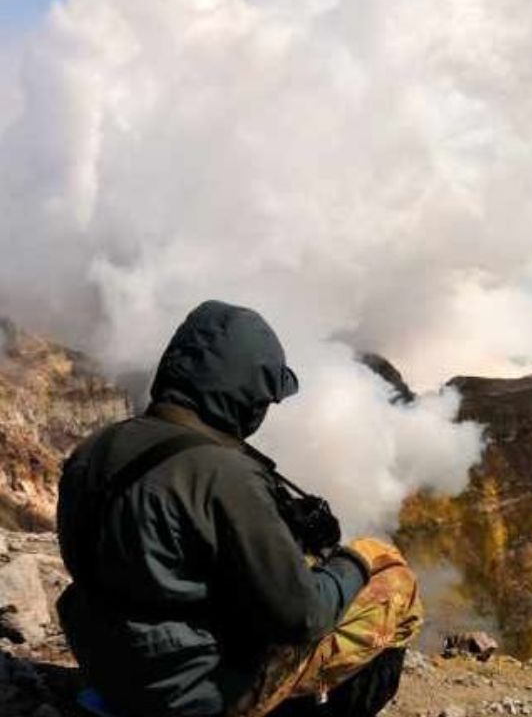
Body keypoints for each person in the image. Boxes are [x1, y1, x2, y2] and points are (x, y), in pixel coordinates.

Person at [56, 300, 422, 717]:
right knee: (392, 576)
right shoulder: (225, 475)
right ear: (248, 395)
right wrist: (353, 562)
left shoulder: (96, 449)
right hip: (191, 692)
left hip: (110, 666)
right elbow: (302, 616)